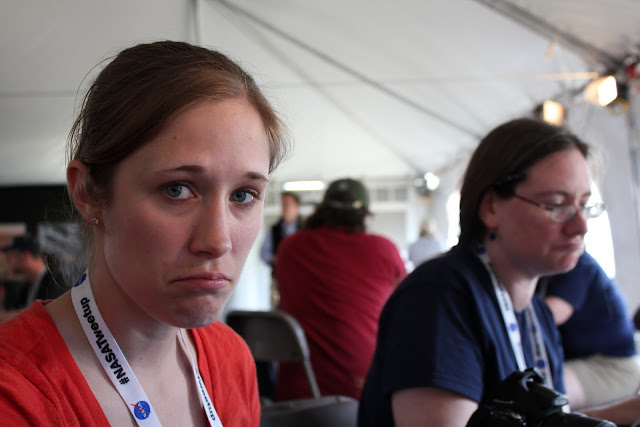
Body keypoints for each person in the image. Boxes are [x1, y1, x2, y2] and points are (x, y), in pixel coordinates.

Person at [0, 40, 289, 426]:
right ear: (88, 193)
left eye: (243, 195)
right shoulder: (16, 395)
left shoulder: (231, 357)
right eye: (177, 190)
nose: (218, 240)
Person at [358, 118, 607, 427]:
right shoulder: (439, 297)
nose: (580, 226)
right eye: (556, 205)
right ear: (491, 207)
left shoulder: (537, 313)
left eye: (585, 205)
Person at [275, 178, 407, 400]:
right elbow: (406, 310)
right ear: (364, 215)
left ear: (322, 210)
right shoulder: (384, 249)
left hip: (298, 395)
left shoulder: (290, 247)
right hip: (361, 391)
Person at [539, 251, 640, 409]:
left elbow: (548, 317)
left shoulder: (579, 264)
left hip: (610, 366)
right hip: (580, 358)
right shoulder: (544, 269)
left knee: (538, 396)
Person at [0, 234, 65, 319]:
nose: (7, 261)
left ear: (25, 255)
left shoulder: (55, 281)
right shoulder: (26, 287)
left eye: (10, 257)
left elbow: (45, 314)